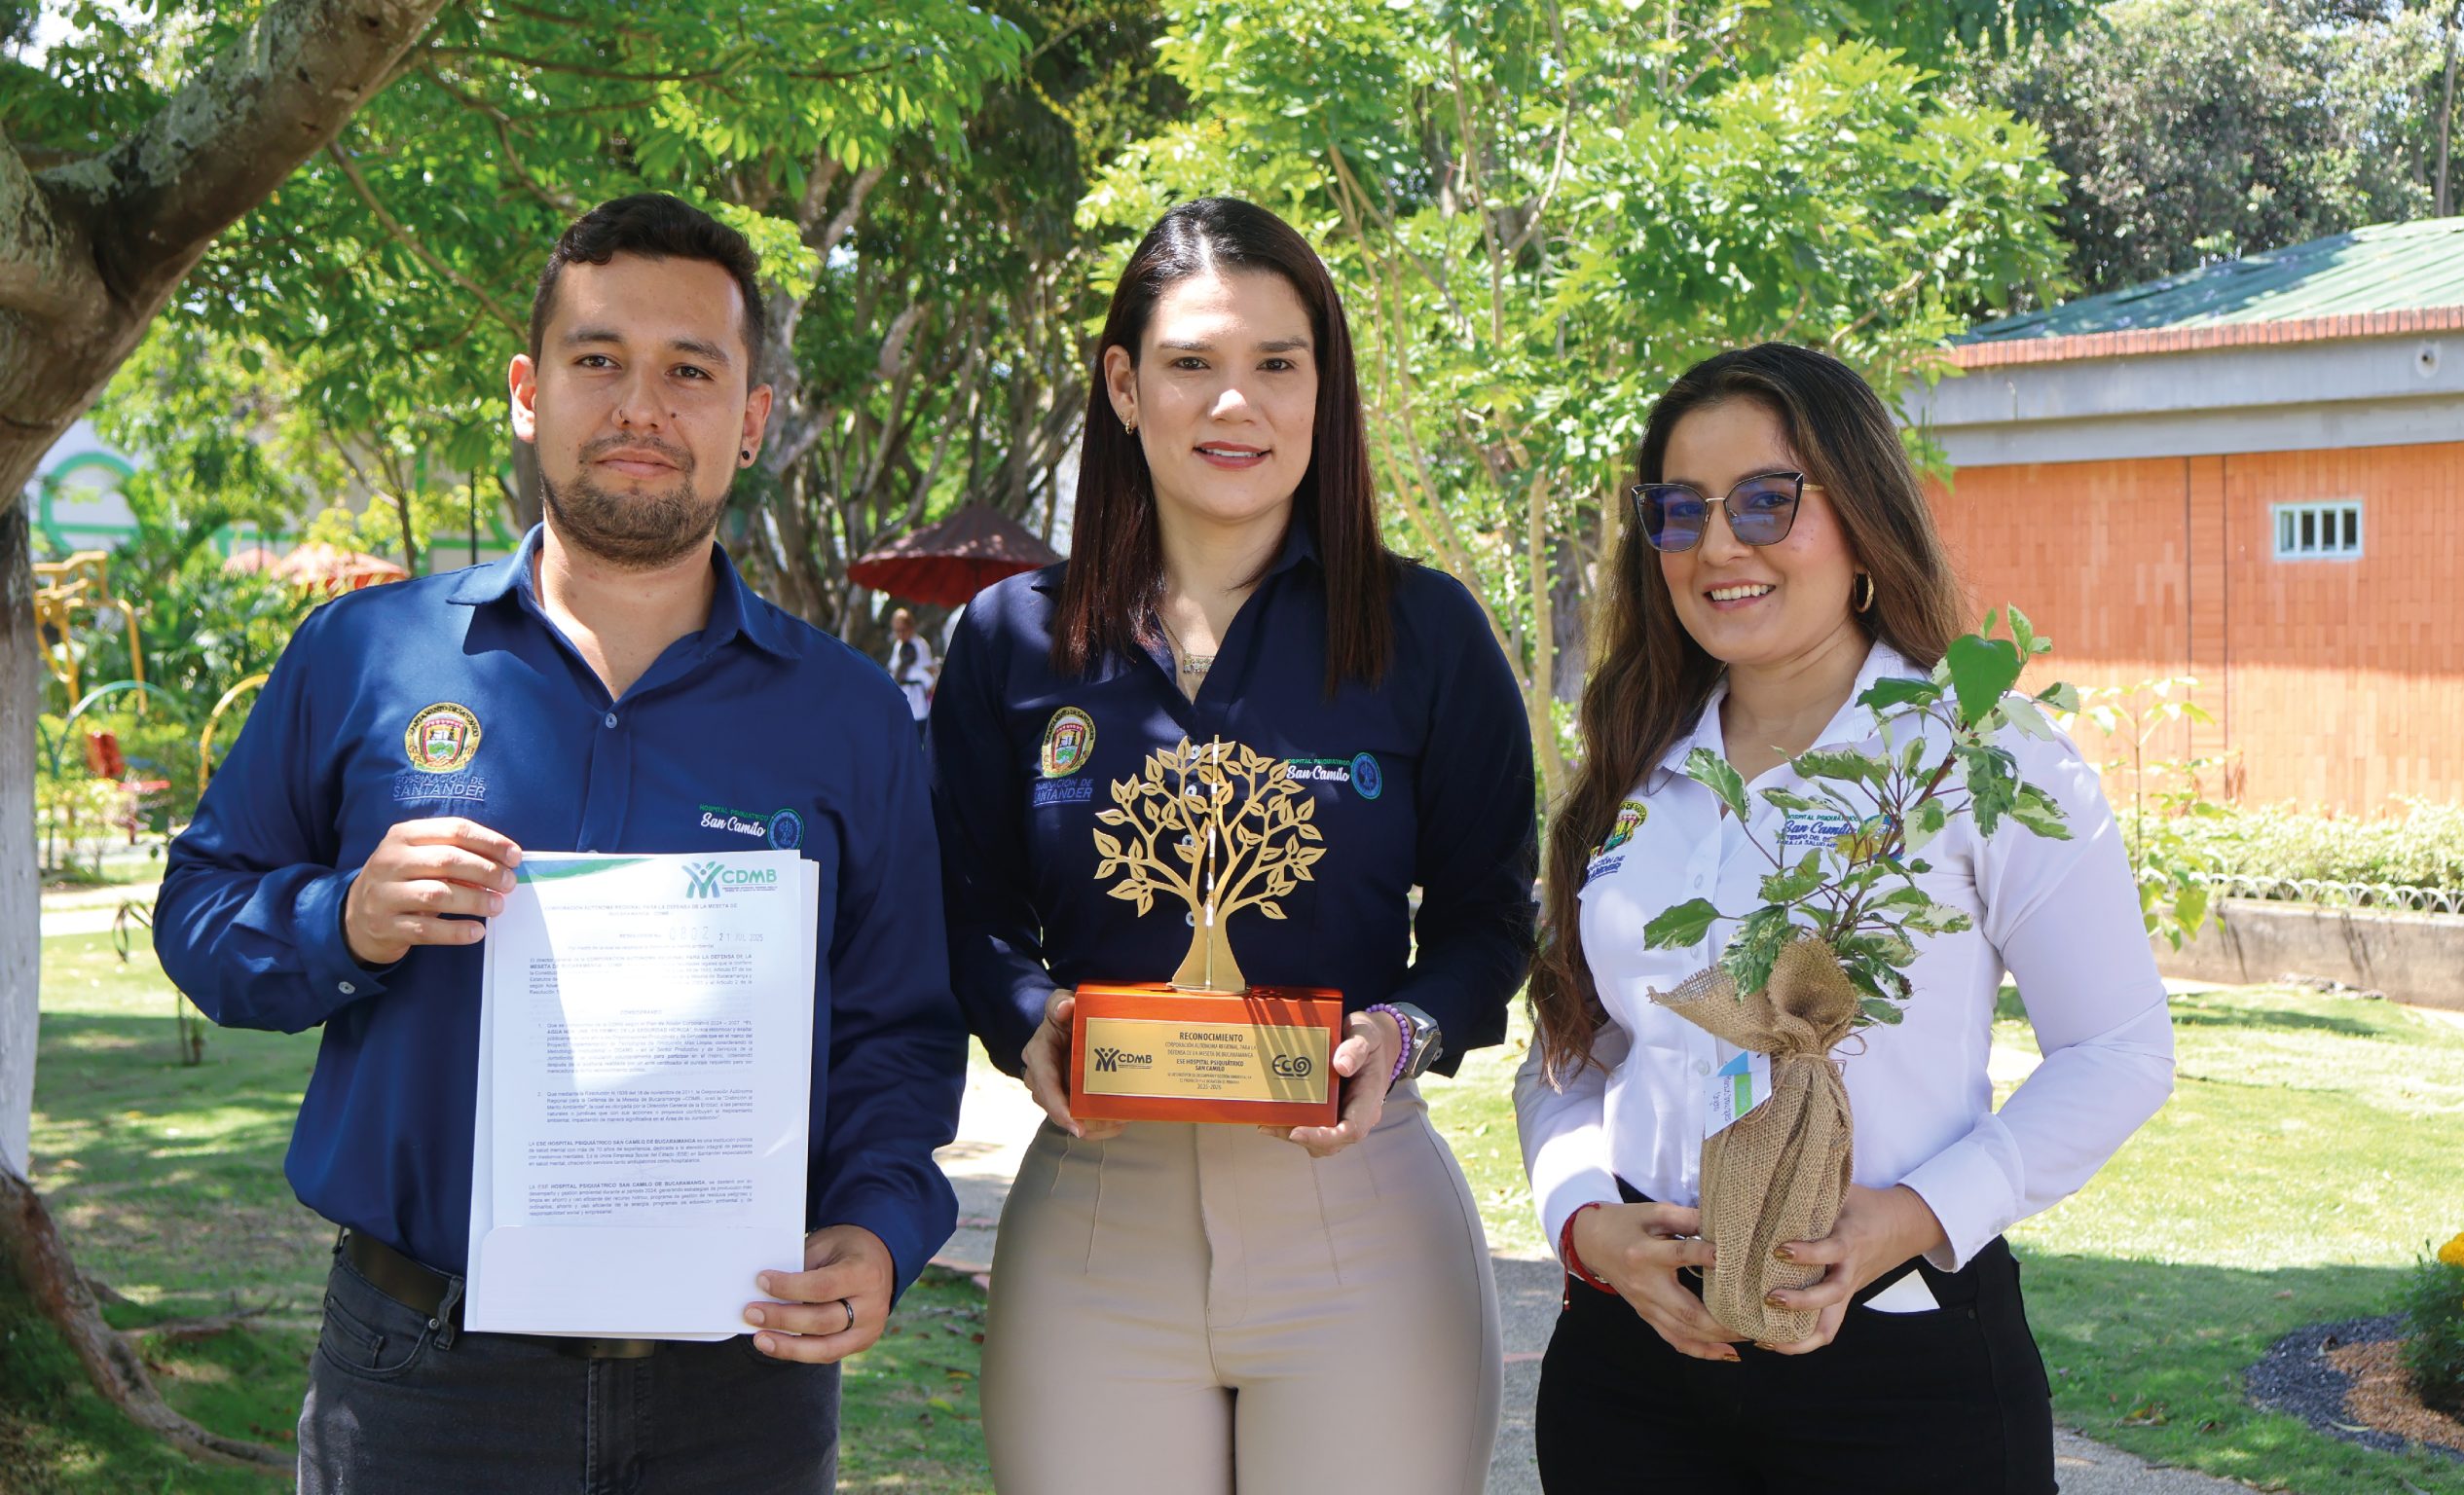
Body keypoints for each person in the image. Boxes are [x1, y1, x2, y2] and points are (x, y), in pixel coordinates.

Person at [154, 194, 963, 1494]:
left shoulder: (849, 716)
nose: (642, 406)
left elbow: (901, 1031)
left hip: (739, 1387)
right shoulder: (363, 655)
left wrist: (880, 1226)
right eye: (599, 359)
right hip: (422, 1381)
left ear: (752, 419)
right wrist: (341, 920)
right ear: (530, 394)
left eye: (690, 371)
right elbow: (198, 913)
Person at [931, 197, 1535, 1495]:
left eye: (1276, 363)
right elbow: (965, 910)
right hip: (1097, 1223)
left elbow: (1490, 917)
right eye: (1191, 362)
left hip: (1361, 1227)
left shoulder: (1426, 633)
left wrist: (1404, 1033)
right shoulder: (1010, 641)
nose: (1234, 403)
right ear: (1123, 386)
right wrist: (1029, 1021)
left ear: (1324, 387)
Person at [1515, 343, 2177, 1493]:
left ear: (1862, 520)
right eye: (1681, 510)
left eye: (1765, 501)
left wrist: (1913, 1217)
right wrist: (1583, 1224)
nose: (1719, 545)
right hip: (1634, 1365)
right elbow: (1574, 1049)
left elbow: (2119, 1050)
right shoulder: (1634, 760)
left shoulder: (1978, 755)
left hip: (1897, 1365)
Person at [886, 606, 936, 744]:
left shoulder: (920, 645)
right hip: (904, 706)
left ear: (911, 628)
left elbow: (929, 672)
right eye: (897, 631)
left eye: (903, 630)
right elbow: (894, 669)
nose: (900, 634)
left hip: (920, 708)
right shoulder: (898, 646)